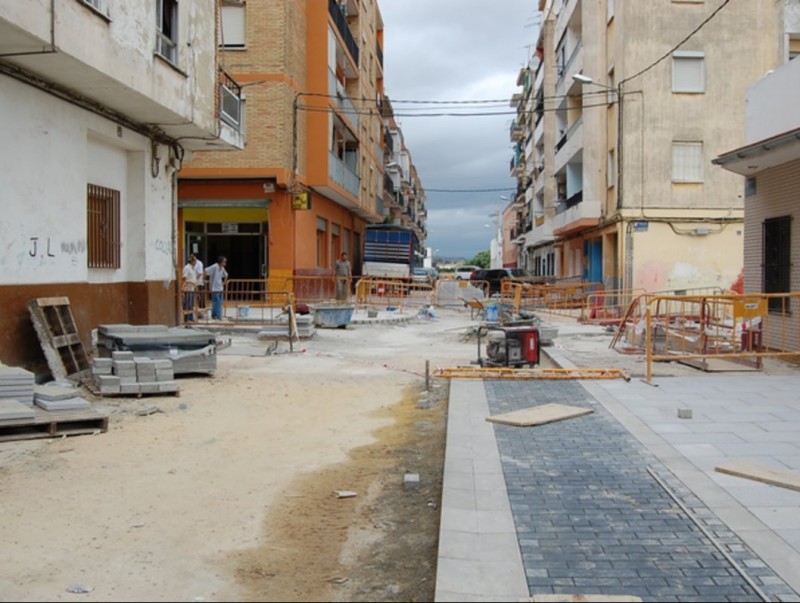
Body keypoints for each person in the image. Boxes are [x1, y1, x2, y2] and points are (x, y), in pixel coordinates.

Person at [205, 256, 228, 320]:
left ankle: (216, 315)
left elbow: (226, 275)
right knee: (217, 302)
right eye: (224, 262)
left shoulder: (222, 268)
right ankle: (217, 315)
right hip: (214, 288)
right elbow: (206, 270)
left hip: (220, 287)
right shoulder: (215, 266)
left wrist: (224, 282)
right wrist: (204, 280)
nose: (225, 263)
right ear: (221, 262)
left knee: (219, 302)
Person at [181, 255, 198, 322]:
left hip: (192, 288)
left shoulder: (193, 268)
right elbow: (184, 278)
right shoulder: (187, 268)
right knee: (187, 304)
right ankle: (187, 318)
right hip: (188, 288)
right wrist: (184, 285)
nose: (196, 262)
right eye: (195, 261)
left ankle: (190, 317)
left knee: (191, 304)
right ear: (191, 261)